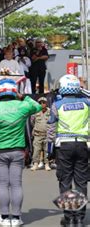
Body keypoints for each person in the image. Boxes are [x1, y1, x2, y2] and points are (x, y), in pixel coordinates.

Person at [0, 79, 42, 227]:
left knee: (3, 184)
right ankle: (16, 218)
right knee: (16, 184)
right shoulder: (22, 106)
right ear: (14, 91)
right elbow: (38, 106)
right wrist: (23, 97)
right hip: (17, 151)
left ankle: (3, 217)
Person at [48, 74, 89, 227]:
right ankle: (79, 218)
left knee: (65, 182)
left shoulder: (57, 105)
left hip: (63, 146)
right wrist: (82, 90)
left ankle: (69, 218)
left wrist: (49, 151)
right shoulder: (87, 103)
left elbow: (51, 129)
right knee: (81, 182)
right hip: (83, 145)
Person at [30, 97, 51, 171]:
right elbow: (32, 122)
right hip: (38, 134)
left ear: (46, 103)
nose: (42, 104)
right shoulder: (35, 112)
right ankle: (35, 163)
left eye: (43, 102)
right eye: (40, 103)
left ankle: (47, 164)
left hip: (47, 134)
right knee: (36, 150)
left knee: (47, 150)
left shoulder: (50, 112)